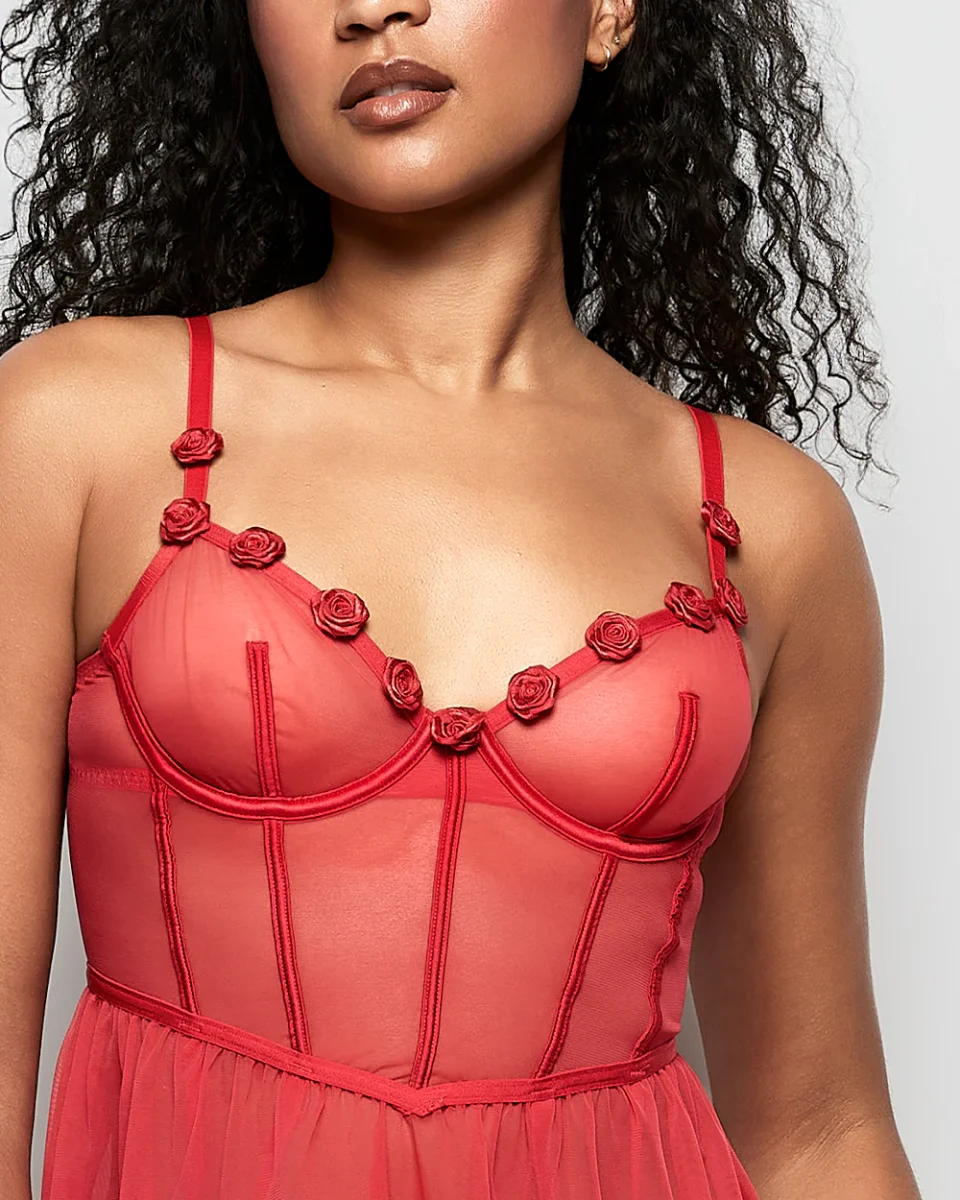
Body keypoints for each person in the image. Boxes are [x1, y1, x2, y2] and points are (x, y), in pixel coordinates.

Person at [0, 0, 921, 1197]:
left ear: (609, 12)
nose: (373, 8)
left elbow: (819, 1135)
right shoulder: (75, 428)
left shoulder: (765, 523)